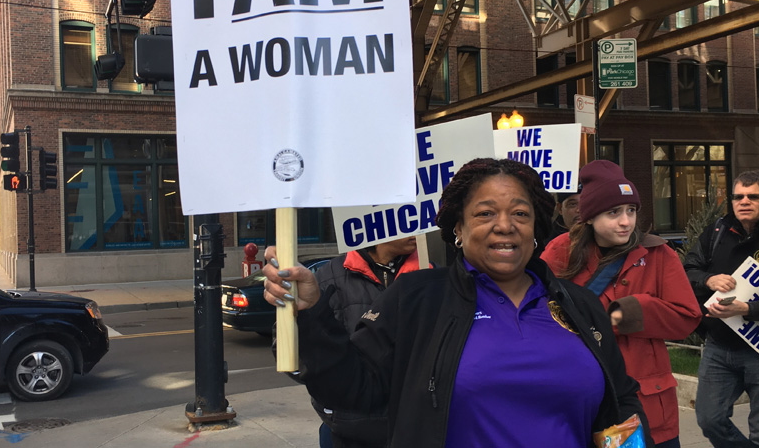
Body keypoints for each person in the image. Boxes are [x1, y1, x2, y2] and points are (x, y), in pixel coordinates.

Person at [262, 158, 647, 447]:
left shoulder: (580, 305)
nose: (504, 225)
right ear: (458, 229)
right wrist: (311, 313)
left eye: (520, 213)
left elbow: (621, 399)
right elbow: (354, 390)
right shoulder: (416, 299)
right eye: (485, 213)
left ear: (536, 229)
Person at [541, 160, 701, 448]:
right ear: (588, 217)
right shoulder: (560, 251)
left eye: (631, 211)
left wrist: (628, 313)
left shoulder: (658, 254)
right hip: (580, 396)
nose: (626, 221)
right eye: (613, 212)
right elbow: (537, 313)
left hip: (644, 404)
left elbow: (687, 316)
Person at [684, 170, 759, 448]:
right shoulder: (716, 232)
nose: (744, 202)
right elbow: (688, 269)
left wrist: (748, 309)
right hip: (719, 347)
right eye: (738, 196)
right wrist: (707, 279)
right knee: (709, 419)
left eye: (753, 196)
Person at [309, 236, 422, 448]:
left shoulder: (431, 272)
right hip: (346, 427)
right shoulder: (328, 277)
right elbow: (305, 354)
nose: (415, 229)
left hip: (412, 425)